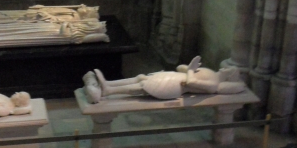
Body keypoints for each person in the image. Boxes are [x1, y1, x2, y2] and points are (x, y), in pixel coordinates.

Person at [82, 57, 246, 103]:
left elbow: (191, 82)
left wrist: (190, 70)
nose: (224, 68)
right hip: (174, 77)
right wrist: (188, 67)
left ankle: (109, 91)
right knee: (141, 77)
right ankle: (108, 84)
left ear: (228, 77)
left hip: (176, 87)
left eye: (228, 70)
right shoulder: (211, 72)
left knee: (142, 85)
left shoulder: (214, 85)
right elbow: (181, 69)